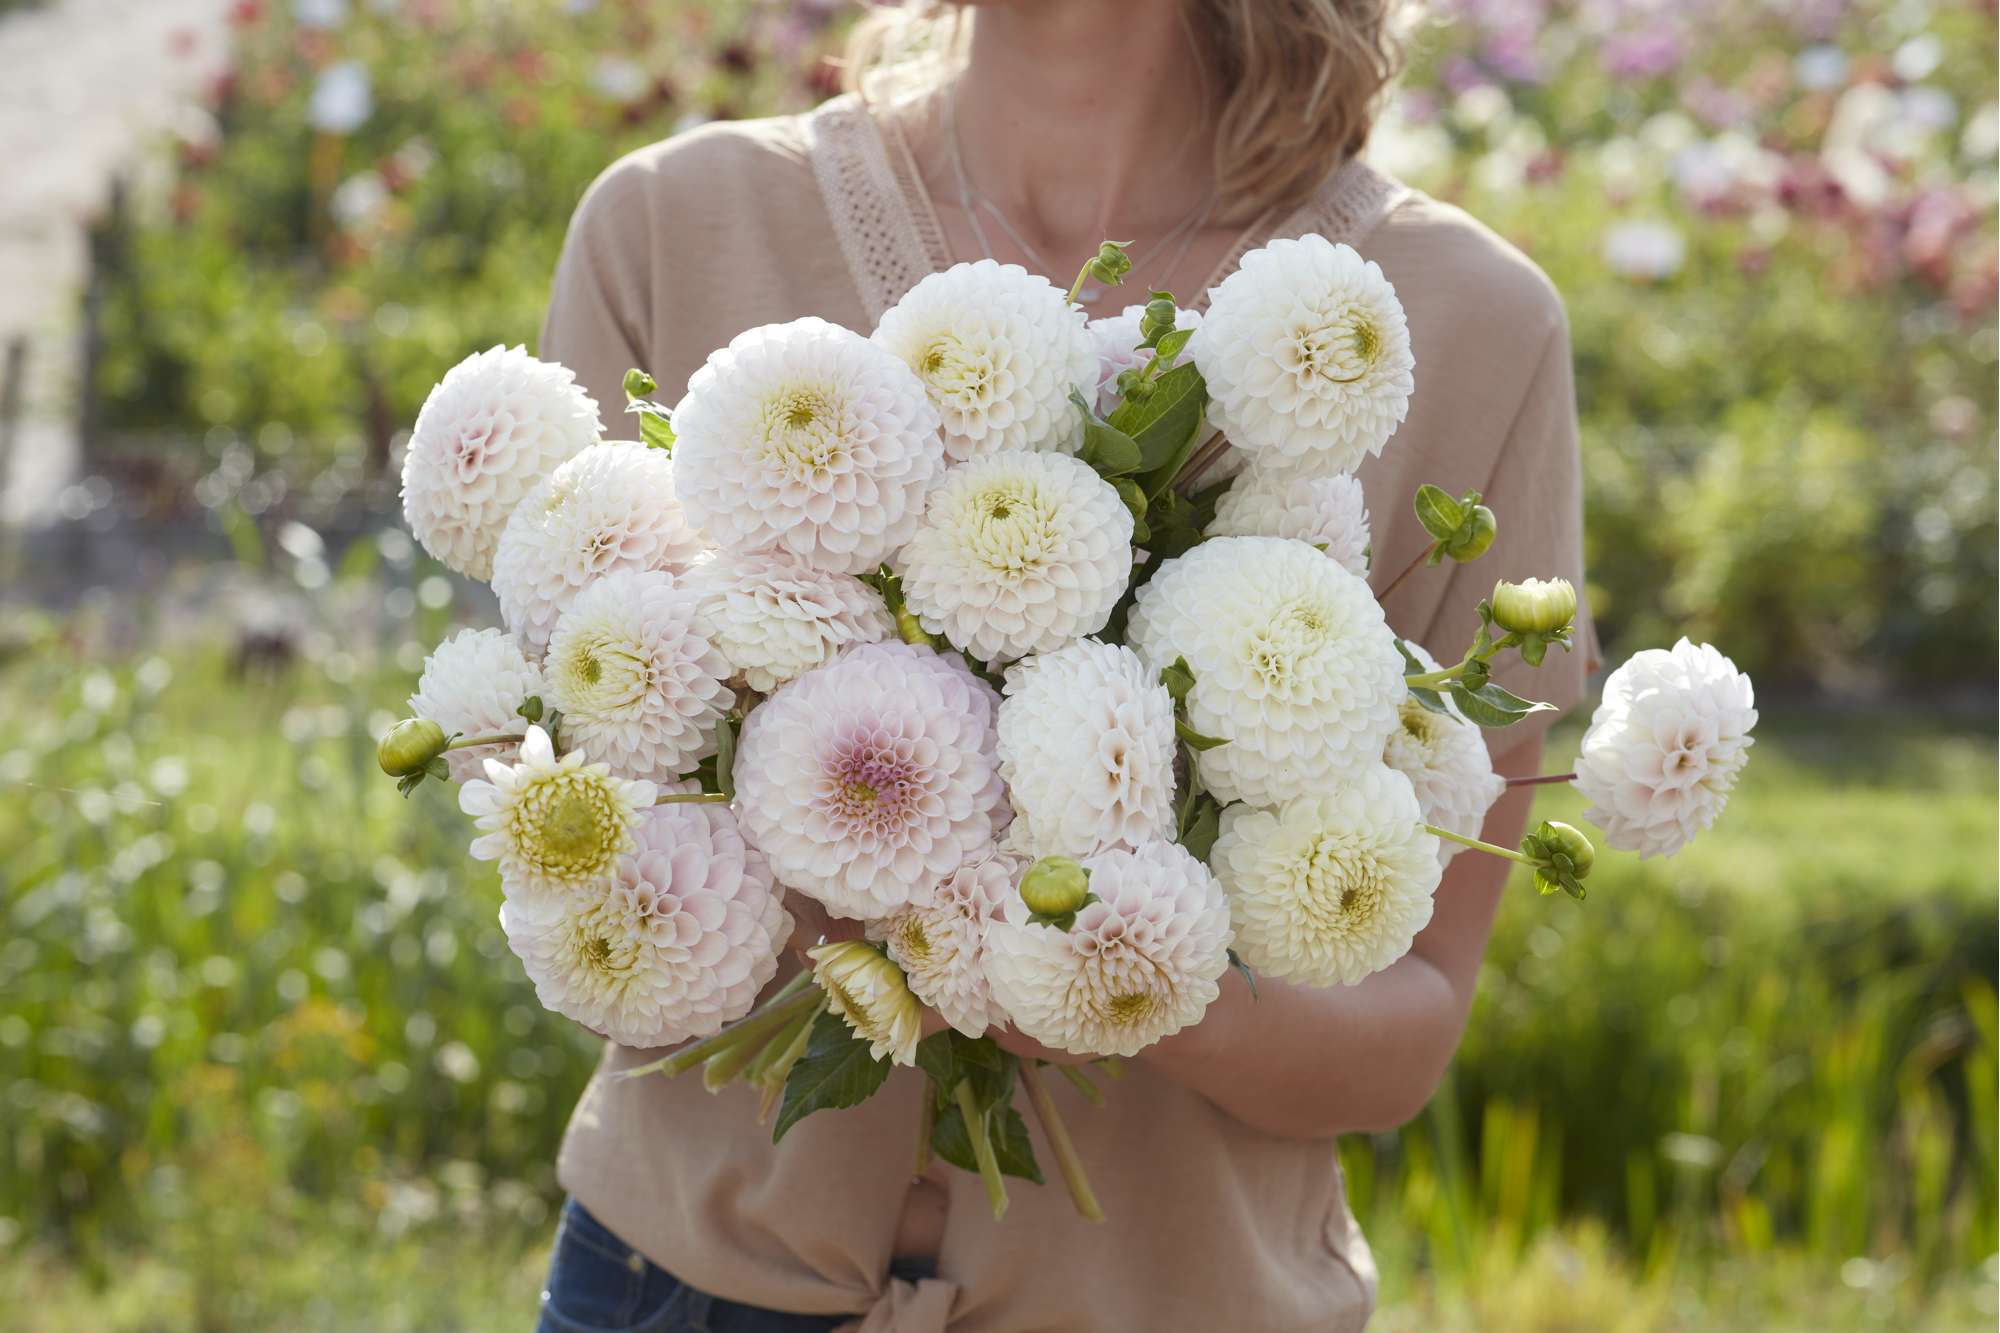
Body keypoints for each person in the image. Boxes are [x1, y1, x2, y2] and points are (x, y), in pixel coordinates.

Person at [533, 3, 1593, 1330]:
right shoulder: (674, 226)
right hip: (677, 1290)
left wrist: (1139, 977)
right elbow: (574, 885)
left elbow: (1410, 1024)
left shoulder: (1466, 325)